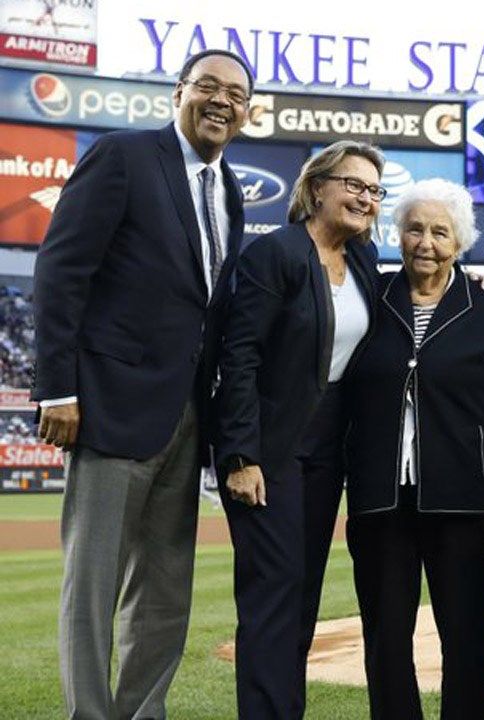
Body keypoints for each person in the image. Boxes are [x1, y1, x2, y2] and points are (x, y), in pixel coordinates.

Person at [32, 48, 251, 719]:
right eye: (207, 86)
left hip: (188, 415)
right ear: (178, 92)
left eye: (236, 94)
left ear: (247, 112)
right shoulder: (125, 156)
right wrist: (58, 390)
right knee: (93, 585)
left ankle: (140, 713)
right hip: (112, 404)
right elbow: (61, 270)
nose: (221, 101)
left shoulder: (232, 191)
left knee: (164, 590)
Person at [343, 178, 484, 720]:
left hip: (463, 502)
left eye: (439, 232)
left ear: (460, 243)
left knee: (465, 637)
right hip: (380, 501)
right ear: (398, 236)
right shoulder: (370, 298)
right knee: (386, 638)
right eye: (414, 229)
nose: (425, 241)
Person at [215, 141, 382, 718]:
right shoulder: (276, 253)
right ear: (316, 188)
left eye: (374, 190)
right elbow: (240, 358)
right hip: (270, 449)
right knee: (273, 592)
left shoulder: (363, 259)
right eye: (354, 185)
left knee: (304, 592)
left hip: (329, 450)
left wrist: (471, 285)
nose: (366, 198)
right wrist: (240, 455)